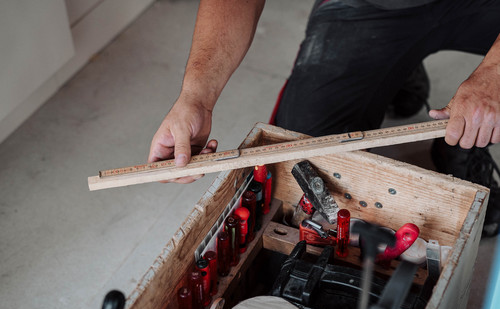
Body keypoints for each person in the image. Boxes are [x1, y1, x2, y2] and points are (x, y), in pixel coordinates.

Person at [148, 0, 500, 235]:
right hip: (371, 7)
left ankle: (469, 130)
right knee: (302, 159)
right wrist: (196, 96)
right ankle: (396, 69)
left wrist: (493, 75)